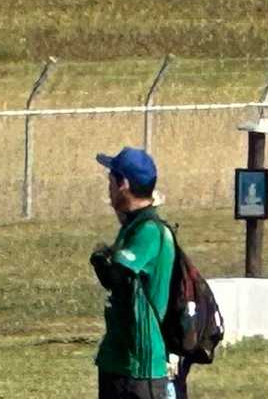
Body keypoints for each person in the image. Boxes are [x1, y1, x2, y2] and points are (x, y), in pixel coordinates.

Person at [92, 147, 175, 399]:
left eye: (111, 181)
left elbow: (120, 272)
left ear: (124, 185)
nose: (108, 188)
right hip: (117, 359)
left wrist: (104, 260)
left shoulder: (150, 231)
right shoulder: (132, 227)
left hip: (140, 366)